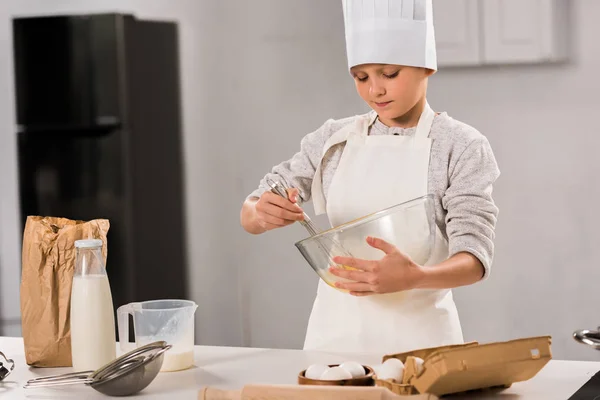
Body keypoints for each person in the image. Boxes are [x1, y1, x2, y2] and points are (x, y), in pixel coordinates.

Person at [240, 0, 500, 355]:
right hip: (333, 345)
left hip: (423, 349)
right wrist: (261, 211)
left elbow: (474, 258)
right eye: (361, 78)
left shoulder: (461, 145)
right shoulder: (334, 140)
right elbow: (252, 212)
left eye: (389, 74)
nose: (374, 90)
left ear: (426, 67)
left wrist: (414, 277)